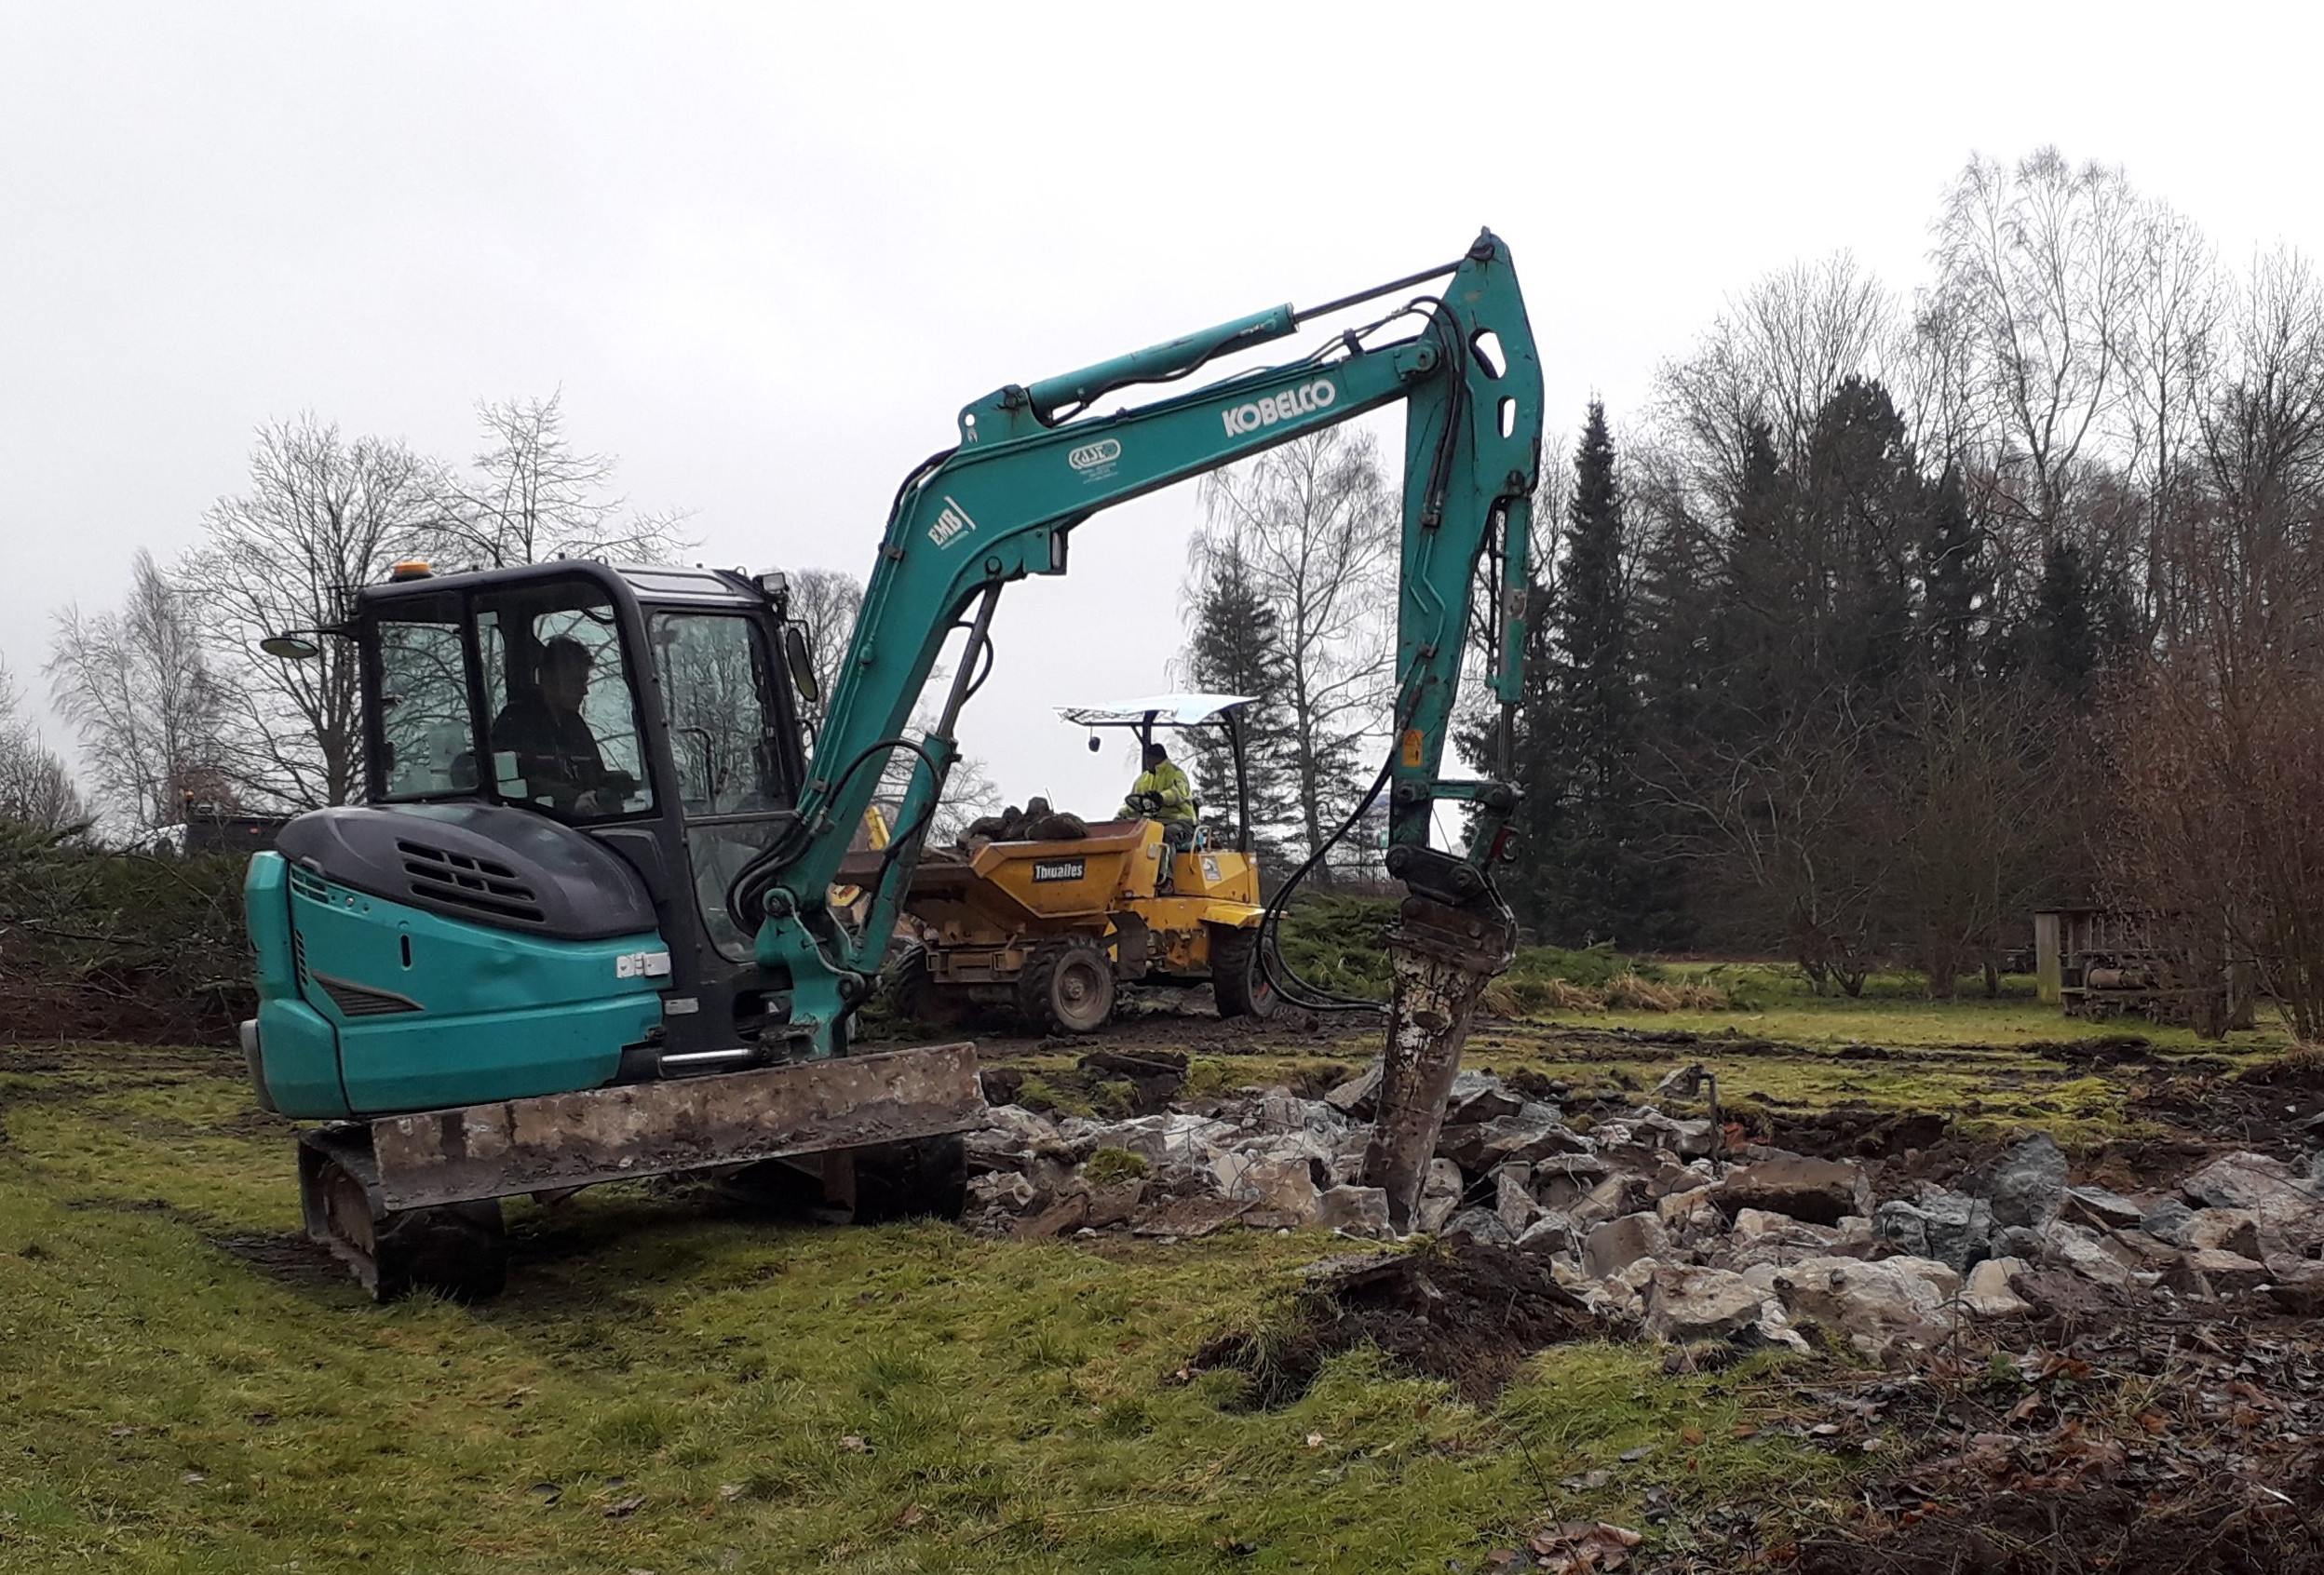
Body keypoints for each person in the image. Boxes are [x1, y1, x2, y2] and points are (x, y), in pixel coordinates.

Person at [493, 636, 619, 816]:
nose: (585, 691)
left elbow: (594, 774)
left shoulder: (575, 725)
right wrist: (570, 800)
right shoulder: (515, 721)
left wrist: (614, 785)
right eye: (577, 681)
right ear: (549, 677)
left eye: (585, 682)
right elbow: (515, 782)